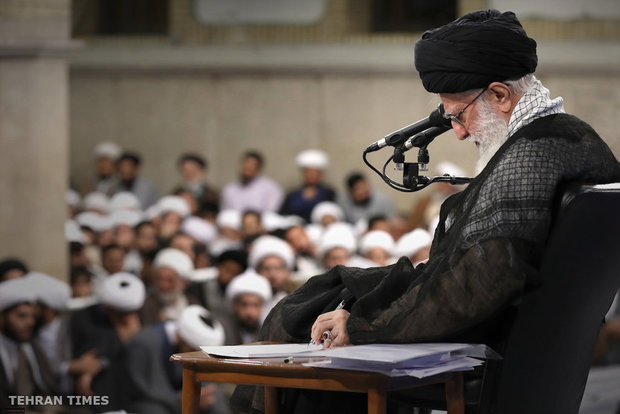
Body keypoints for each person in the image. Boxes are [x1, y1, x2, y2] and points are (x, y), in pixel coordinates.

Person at [232, 9, 620, 413]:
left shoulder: (529, 157)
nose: (459, 131)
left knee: (297, 322)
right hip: (525, 358)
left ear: (501, 95)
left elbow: (479, 284)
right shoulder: (575, 139)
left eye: (458, 115)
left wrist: (363, 328)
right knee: (326, 294)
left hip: (480, 356)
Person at [279, 149, 337, 222]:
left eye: (315, 172)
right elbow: (283, 214)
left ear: (321, 174)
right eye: (308, 172)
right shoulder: (292, 194)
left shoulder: (329, 193)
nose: (311, 175)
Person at [224, 269, 273, 344]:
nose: (250, 312)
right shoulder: (223, 332)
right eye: (244, 305)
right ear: (235, 305)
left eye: (255, 305)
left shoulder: (268, 334)